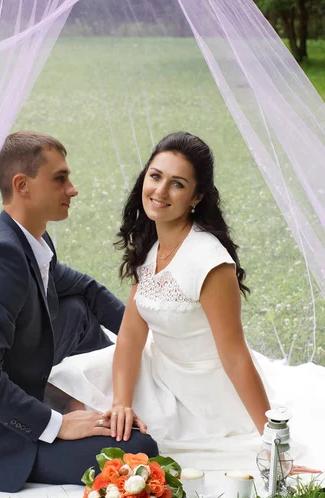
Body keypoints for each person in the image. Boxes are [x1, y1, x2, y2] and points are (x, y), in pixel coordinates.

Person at [49, 132, 325, 474]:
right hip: (156, 368)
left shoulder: (210, 263)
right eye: (155, 176)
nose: (160, 191)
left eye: (177, 184)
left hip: (203, 391)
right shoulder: (152, 242)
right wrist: (122, 402)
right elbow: (132, 335)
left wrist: (273, 443)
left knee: (123, 435)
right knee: (60, 385)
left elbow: (235, 356)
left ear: (196, 197)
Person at [0, 131, 158, 493]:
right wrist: (58, 424)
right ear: (23, 186)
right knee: (139, 450)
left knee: (77, 307)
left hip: (14, 391)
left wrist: (142, 339)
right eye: (60, 179)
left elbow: (86, 289)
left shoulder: (30, 240)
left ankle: (72, 399)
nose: (73, 189)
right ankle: (65, 409)